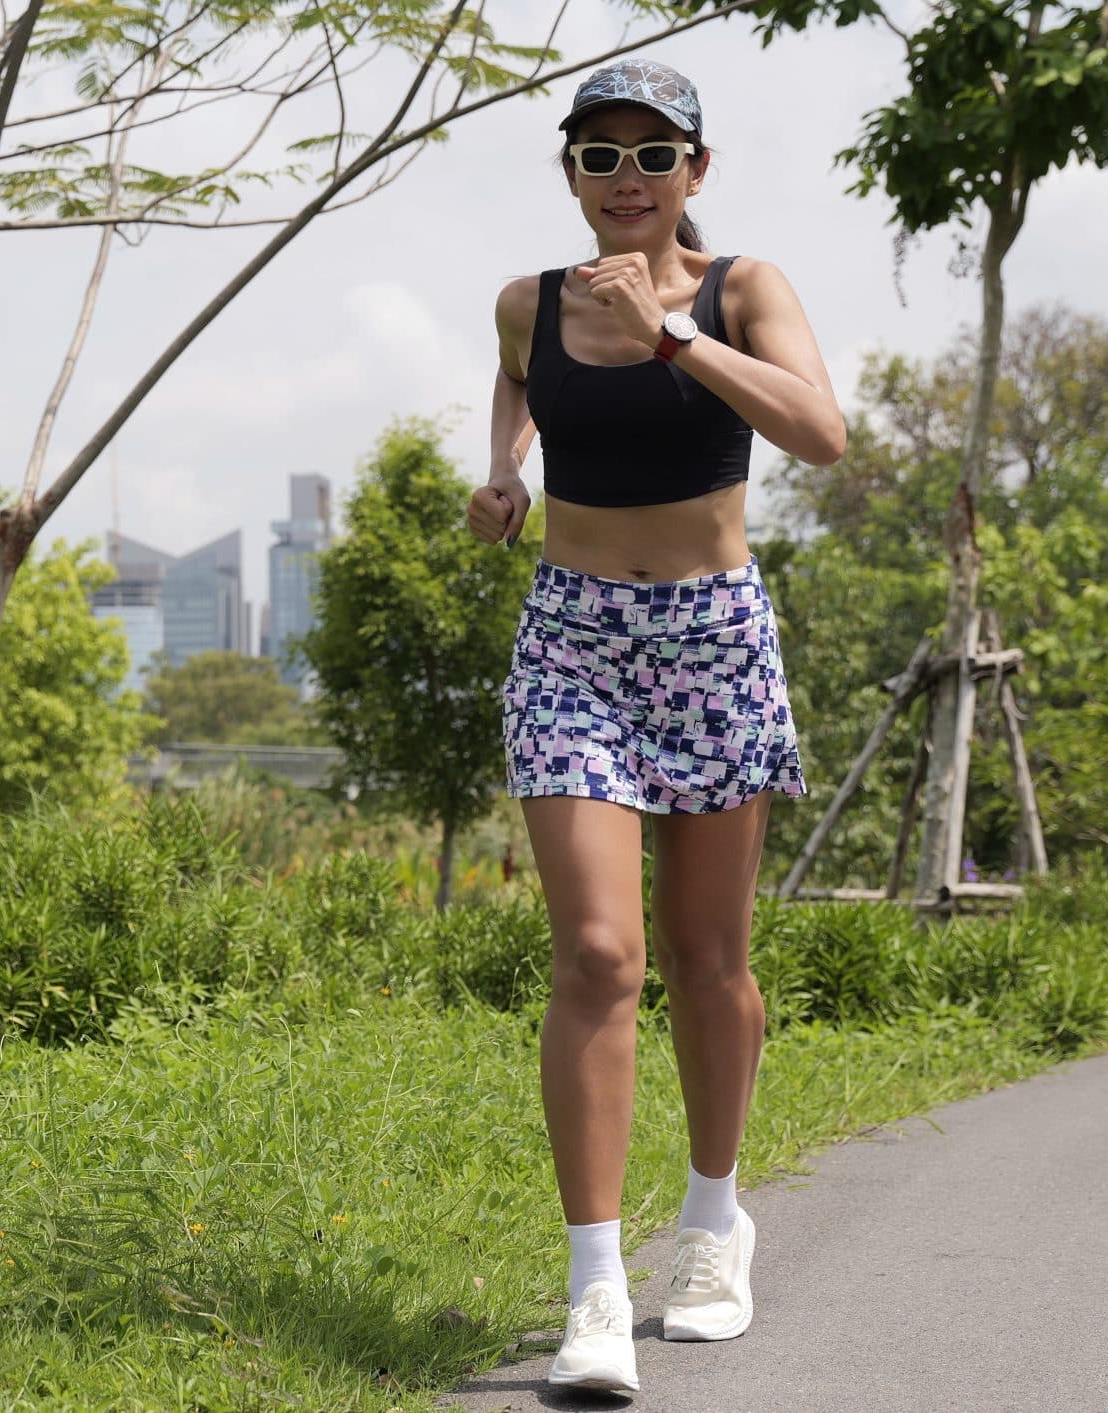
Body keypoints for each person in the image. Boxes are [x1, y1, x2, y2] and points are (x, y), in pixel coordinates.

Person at [463, 58, 848, 1394]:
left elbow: (822, 433)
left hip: (711, 638)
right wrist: (502, 468)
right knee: (597, 953)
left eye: (651, 154)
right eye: (598, 156)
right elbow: (520, 382)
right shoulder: (528, 304)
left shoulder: (745, 289)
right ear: (569, 174)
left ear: (696, 170)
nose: (624, 179)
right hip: (572, 637)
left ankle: (711, 1219)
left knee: (707, 954)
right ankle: (593, 1290)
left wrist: (672, 331)